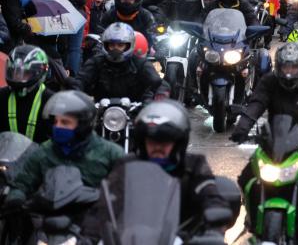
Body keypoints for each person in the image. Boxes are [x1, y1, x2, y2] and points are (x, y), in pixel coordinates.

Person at [230, 43, 298, 237]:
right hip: (274, 141)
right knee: (246, 177)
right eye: (285, 67)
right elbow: (257, 102)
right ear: (278, 67)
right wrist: (243, 127)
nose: (289, 72)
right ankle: (251, 213)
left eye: (294, 67)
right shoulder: (269, 81)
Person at [82, 100, 228, 241]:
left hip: (184, 238)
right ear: (142, 142)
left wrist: (213, 232)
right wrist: (88, 237)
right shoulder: (126, 165)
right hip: (129, 239)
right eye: (152, 141)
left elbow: (211, 196)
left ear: (178, 142)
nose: (157, 147)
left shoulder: (193, 165)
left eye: (164, 142)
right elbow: (105, 204)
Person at [6, 90, 125, 208]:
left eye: (65, 122)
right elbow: (22, 183)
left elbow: (128, 188)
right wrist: (16, 198)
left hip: (94, 220)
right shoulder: (44, 152)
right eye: (56, 122)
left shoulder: (110, 153)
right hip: (49, 219)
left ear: (83, 125)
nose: (58, 127)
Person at [77, 23, 165, 102]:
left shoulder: (140, 63)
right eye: (112, 45)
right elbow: (81, 80)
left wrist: (160, 92)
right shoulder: (96, 62)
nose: (116, 49)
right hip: (100, 113)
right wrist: (75, 87)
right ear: (106, 45)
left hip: (134, 113)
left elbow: (158, 82)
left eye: (120, 45)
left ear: (129, 45)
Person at [0, 45, 56, 143]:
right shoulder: (2, 95)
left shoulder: (51, 100)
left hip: (40, 156)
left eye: (25, 73)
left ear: (39, 72)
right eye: (14, 72)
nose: (18, 77)